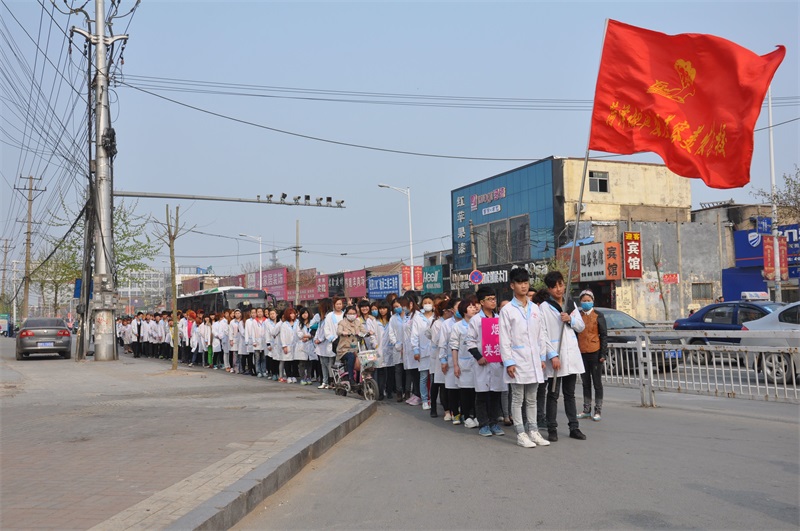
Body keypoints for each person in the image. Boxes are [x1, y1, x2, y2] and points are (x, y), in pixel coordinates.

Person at [499, 267, 552, 448]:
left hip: (534, 360)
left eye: (526, 282)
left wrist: (542, 357)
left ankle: (533, 431)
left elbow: (541, 334)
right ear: (512, 285)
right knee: (517, 398)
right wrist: (509, 362)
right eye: (520, 283)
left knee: (532, 398)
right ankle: (521, 433)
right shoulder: (507, 311)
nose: (523, 286)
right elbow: (504, 338)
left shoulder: (535, 308)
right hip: (517, 359)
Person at [537, 271, 586, 442]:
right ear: (549, 289)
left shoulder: (570, 304)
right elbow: (542, 334)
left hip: (571, 354)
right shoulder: (544, 307)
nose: (558, 289)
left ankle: (574, 427)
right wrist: (552, 355)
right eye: (554, 286)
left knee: (570, 393)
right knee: (553, 394)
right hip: (556, 357)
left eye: (560, 284)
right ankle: (552, 428)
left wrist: (570, 319)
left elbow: (580, 326)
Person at [466, 286, 505, 437]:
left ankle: (494, 423)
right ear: (482, 302)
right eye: (490, 299)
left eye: (494, 298)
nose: (493, 301)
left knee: (496, 394)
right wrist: (478, 357)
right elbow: (470, 341)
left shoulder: (499, 318)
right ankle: (483, 424)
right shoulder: (476, 320)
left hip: (497, 362)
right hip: (482, 362)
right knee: (482, 395)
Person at [450, 296, 480, 429]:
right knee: (465, 391)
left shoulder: (480, 323)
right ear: (463, 310)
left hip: (479, 362)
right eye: (470, 307)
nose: (473, 309)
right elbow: (454, 347)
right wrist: (455, 365)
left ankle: (477, 415)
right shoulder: (457, 326)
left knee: (478, 391)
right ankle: (467, 416)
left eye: (474, 306)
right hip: (464, 363)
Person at [577, 290, 606, 422]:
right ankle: (586, 409)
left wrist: (603, 353)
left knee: (597, 382)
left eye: (589, 300)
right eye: (584, 300)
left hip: (595, 351)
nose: (586, 303)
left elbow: (604, 335)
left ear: (593, 301)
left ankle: (598, 409)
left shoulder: (598, 315)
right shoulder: (578, 315)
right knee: (585, 382)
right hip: (582, 352)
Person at [440, 298, 461, 423]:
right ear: (452, 310)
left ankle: (464, 412)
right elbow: (442, 343)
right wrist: (443, 360)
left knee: (464, 389)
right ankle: (454, 412)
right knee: (452, 388)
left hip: (464, 360)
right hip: (450, 359)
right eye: (457, 307)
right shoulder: (446, 324)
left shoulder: (468, 322)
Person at [336, 305, 366, 387]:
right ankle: (350, 378)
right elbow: (338, 331)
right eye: (350, 313)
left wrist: (367, 333)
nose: (352, 315)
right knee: (351, 357)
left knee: (362, 361)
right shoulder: (342, 323)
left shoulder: (358, 322)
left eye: (354, 313)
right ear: (346, 314)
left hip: (357, 348)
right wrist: (343, 332)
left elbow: (364, 330)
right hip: (344, 350)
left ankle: (361, 379)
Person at [314, 298, 336, 389]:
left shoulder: (330, 316)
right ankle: (325, 381)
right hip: (321, 345)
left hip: (328, 343)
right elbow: (319, 330)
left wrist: (320, 339)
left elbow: (327, 330)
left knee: (330, 364)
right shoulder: (322, 318)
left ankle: (331, 382)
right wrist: (316, 338)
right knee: (323, 363)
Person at [388, 297, 407, 402]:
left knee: (407, 371)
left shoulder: (408, 316)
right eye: (394, 307)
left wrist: (406, 344)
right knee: (398, 370)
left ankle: (407, 391)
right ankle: (399, 392)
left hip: (408, 347)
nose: (396, 308)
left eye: (398, 306)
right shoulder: (393, 318)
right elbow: (391, 332)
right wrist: (396, 343)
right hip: (397, 347)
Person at [374, 300, 392, 399]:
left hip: (390, 349)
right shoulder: (376, 322)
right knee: (380, 372)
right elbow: (373, 335)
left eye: (384, 308)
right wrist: (375, 345)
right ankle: (380, 392)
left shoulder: (391, 320)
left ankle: (389, 391)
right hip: (379, 349)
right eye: (380, 308)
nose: (382, 310)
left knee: (389, 372)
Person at [279, 307, 298, 383]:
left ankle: (294, 375)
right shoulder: (284, 324)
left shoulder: (297, 322)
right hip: (287, 345)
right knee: (287, 361)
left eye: (293, 313)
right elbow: (282, 336)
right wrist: (284, 346)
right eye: (290, 314)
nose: (292, 315)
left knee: (294, 362)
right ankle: (288, 376)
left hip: (296, 345)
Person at [229, 309, 244, 373]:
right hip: (235, 339)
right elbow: (230, 331)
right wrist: (231, 340)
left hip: (241, 340)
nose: (237, 314)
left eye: (238, 313)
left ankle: (241, 369)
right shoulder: (232, 322)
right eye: (236, 313)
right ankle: (236, 368)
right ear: (234, 314)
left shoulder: (243, 321)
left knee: (241, 355)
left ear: (241, 314)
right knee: (235, 355)